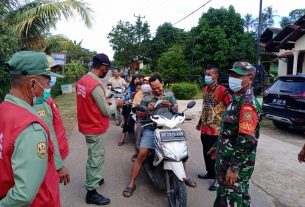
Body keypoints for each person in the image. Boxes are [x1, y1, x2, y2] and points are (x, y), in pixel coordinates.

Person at [0, 51, 60, 206]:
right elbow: (23, 195)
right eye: (47, 84)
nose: (48, 89)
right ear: (33, 84)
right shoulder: (31, 129)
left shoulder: (4, 110)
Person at [122, 74, 195, 198]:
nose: (156, 90)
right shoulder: (146, 97)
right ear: (150, 87)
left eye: (158, 87)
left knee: (181, 153)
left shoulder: (169, 94)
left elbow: (176, 110)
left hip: (168, 128)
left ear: (162, 83)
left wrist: (170, 106)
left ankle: (184, 177)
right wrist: (146, 110)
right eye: (153, 88)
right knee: (142, 154)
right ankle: (131, 183)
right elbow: (140, 115)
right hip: (151, 128)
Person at [208, 62, 262, 207]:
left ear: (250, 79)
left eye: (238, 76)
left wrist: (234, 168)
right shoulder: (236, 99)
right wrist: (217, 146)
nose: (233, 78)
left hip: (235, 168)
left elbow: (246, 140)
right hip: (226, 162)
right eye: (232, 74)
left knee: (234, 200)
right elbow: (229, 131)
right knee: (225, 198)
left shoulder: (247, 105)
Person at [76, 53, 123, 205]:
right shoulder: (95, 85)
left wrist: (107, 100)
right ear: (103, 67)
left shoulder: (83, 80)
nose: (107, 72)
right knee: (95, 158)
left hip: (87, 123)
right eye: (107, 69)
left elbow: (91, 102)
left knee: (96, 155)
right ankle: (91, 192)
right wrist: (116, 104)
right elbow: (105, 111)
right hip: (94, 126)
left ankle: (96, 177)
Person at [33, 57, 70, 186]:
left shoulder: (44, 98)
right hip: (48, 161)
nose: (51, 81)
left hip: (53, 155)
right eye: (49, 77)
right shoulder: (38, 103)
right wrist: (58, 165)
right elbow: (47, 136)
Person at [196, 65, 231, 191]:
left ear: (216, 75)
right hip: (205, 128)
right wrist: (200, 122)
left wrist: (226, 124)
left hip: (216, 129)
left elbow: (230, 106)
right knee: (206, 152)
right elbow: (205, 107)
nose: (207, 77)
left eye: (209, 75)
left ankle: (218, 179)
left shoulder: (223, 90)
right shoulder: (205, 89)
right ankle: (210, 173)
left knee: (216, 154)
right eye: (206, 74)